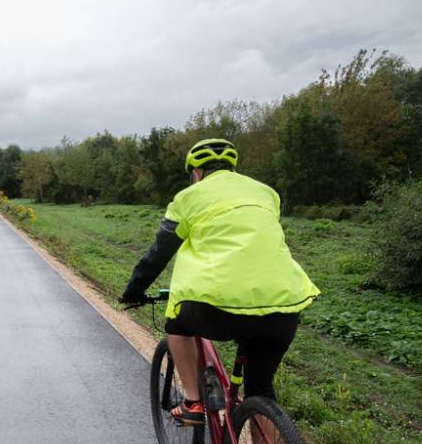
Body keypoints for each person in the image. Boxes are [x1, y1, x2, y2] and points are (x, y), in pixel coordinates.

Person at [119, 138, 319, 424]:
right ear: (232, 167)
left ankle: (193, 403)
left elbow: (159, 252)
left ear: (196, 172)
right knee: (260, 389)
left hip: (217, 309)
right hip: (285, 306)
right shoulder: (267, 193)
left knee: (176, 323)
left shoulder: (188, 197)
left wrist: (134, 290)